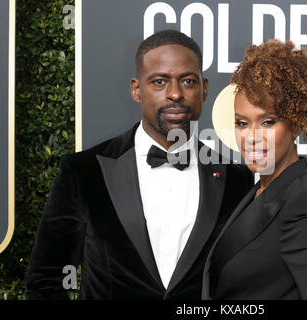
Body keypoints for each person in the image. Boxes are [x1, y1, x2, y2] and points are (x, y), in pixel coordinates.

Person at [25, 29, 253, 300]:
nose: (175, 94)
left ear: (203, 90)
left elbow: (244, 286)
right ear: (136, 89)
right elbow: (47, 280)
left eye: (188, 81)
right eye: (159, 82)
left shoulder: (238, 180)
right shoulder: (84, 172)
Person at [202, 39, 307, 300]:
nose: (252, 136)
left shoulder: (301, 206)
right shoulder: (260, 190)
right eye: (242, 123)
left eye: (268, 122)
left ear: (295, 124)